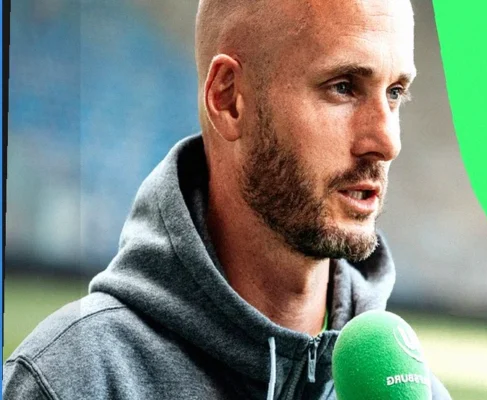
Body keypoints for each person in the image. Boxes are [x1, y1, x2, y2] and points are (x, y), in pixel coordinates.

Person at [3, 0, 452, 399]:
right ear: (230, 99)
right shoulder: (72, 382)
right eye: (343, 87)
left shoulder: (414, 392)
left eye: (395, 93)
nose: (386, 141)